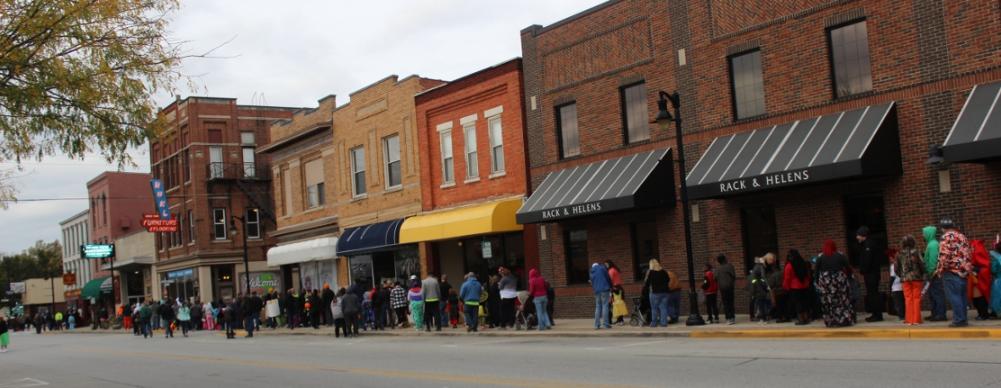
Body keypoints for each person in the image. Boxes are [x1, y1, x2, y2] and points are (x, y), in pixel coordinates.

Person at [935, 219, 974, 327]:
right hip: (963, 271)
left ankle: (959, 320)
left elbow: (944, 256)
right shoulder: (962, 236)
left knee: (954, 296)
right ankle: (963, 319)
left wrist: (940, 270)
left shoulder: (946, 237)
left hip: (951, 271)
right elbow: (968, 253)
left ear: (943, 228)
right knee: (962, 296)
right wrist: (967, 269)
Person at [815, 240, 855, 327]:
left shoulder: (820, 257)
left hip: (826, 283)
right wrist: (849, 277)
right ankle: (844, 320)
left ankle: (830, 321)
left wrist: (817, 282)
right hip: (839, 281)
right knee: (842, 300)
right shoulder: (840, 255)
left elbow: (816, 271)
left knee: (829, 302)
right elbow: (848, 267)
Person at [856, 226, 884, 322]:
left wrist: (863, 270)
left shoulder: (868, 245)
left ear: (863, 235)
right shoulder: (867, 244)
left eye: (858, 235)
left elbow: (867, 260)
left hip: (871, 274)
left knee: (873, 294)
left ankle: (877, 315)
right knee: (872, 293)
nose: (857, 237)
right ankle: (876, 314)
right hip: (872, 273)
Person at [897, 235, 926, 325]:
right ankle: (916, 319)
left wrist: (901, 275)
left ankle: (909, 320)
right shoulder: (917, 252)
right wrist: (922, 274)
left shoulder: (899, 254)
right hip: (916, 278)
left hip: (905, 278)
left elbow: (896, 268)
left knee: (908, 299)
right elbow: (922, 265)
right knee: (916, 298)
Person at [922, 226, 948, 321]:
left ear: (929, 234)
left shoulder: (932, 245)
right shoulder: (932, 244)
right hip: (933, 274)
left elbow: (933, 261)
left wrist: (931, 272)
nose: (923, 235)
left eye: (924, 233)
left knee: (937, 294)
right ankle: (935, 313)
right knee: (933, 294)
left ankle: (940, 315)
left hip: (934, 274)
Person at [783, 249, 812, 325]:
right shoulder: (804, 263)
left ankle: (801, 320)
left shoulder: (789, 265)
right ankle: (806, 318)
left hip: (795, 287)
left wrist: (786, 287)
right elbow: (808, 275)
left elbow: (787, 278)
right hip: (805, 286)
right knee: (805, 302)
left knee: (798, 303)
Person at [970, 240, 993, 320]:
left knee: (979, 297)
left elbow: (983, 265)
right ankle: (982, 314)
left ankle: (983, 314)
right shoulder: (978, 249)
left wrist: (975, 269)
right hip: (977, 277)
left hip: (978, 278)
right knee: (978, 297)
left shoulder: (977, 250)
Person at [644, 259, 670, 327]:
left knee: (654, 308)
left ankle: (654, 323)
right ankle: (664, 323)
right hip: (665, 293)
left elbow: (647, 283)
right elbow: (668, 280)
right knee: (663, 308)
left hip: (655, 293)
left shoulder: (651, 272)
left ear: (651, 265)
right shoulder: (663, 272)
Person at [765, 254, 789, 323]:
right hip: (784, 290)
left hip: (777, 292)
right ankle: (786, 317)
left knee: (779, 306)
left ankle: (780, 318)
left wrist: (772, 296)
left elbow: (771, 286)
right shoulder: (782, 273)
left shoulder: (773, 275)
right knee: (784, 305)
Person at [590, 262, 612, 330]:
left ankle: (597, 325)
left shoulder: (591, 271)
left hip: (597, 291)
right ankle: (605, 324)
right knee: (605, 306)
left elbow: (592, 282)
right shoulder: (602, 268)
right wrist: (611, 286)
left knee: (598, 306)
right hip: (604, 289)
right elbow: (608, 277)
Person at [715, 255, 736, 325]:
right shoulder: (730, 266)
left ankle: (728, 318)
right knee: (730, 302)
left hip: (722, 288)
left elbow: (715, 278)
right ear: (724, 259)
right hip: (730, 287)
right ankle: (732, 317)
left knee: (725, 303)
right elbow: (734, 276)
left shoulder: (717, 269)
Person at [889, 256, 905, 321]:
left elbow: (892, 277)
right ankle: (904, 314)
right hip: (902, 286)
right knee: (903, 302)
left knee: (898, 303)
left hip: (896, 287)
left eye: (890, 258)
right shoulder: (902, 264)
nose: (890, 259)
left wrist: (889, 286)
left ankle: (901, 316)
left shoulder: (893, 266)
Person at [990, 239, 1001, 316]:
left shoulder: (996, 259)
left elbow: (993, 270)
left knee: (997, 297)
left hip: (998, 279)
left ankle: (996, 312)